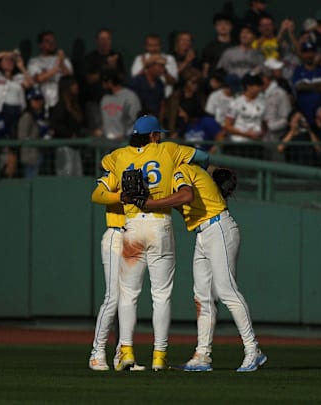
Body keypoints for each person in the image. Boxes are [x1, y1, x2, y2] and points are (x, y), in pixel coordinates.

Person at [101, 115, 205, 372]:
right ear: (153, 135)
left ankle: (125, 351)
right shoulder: (169, 150)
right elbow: (203, 158)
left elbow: (104, 164)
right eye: (159, 133)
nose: (161, 136)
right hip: (160, 223)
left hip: (133, 225)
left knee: (128, 294)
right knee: (161, 295)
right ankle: (159, 356)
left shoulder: (120, 155)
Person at [139, 164, 267, 372]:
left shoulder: (181, 170)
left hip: (218, 228)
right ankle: (202, 355)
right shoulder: (179, 179)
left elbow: (186, 195)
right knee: (202, 297)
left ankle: (253, 350)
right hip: (203, 233)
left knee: (227, 291)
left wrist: (150, 202)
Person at [87, 170, 126, 371]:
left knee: (128, 301)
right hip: (116, 235)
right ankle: (97, 353)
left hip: (137, 238)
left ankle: (123, 354)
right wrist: (121, 195)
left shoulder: (150, 171)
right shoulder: (117, 170)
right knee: (113, 298)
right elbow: (97, 194)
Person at [82, 28, 126, 132]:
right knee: (97, 132)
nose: (105, 42)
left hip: (115, 103)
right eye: (102, 39)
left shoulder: (116, 57)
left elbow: (121, 79)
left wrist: (114, 67)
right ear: (97, 41)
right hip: (95, 102)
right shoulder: (90, 58)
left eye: (107, 39)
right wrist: (106, 67)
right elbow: (89, 79)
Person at [0, 50, 34, 137]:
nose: (9, 62)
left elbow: (30, 84)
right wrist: (5, 53)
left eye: (11, 60)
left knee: (13, 136)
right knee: (0, 136)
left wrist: (21, 67)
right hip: (0, 110)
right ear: (0, 64)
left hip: (17, 111)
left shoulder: (19, 78)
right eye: (6, 60)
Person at [222, 73, 267, 159]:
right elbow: (227, 126)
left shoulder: (263, 102)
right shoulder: (236, 102)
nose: (259, 88)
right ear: (249, 86)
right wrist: (245, 134)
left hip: (256, 144)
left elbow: (264, 123)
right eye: (256, 86)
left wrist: (261, 133)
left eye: (259, 86)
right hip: (238, 144)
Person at [28, 31, 74, 110]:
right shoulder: (34, 61)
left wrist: (61, 62)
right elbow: (39, 79)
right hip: (43, 102)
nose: (51, 43)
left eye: (53, 41)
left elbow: (69, 78)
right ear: (40, 45)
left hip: (63, 102)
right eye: (47, 41)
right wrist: (56, 68)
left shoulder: (64, 59)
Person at [50, 76, 85, 176]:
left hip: (75, 147)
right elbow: (56, 126)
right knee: (66, 175)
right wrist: (70, 135)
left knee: (77, 175)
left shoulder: (76, 105)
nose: (76, 87)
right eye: (73, 85)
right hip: (64, 147)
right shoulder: (60, 106)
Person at [293, 41, 321, 132]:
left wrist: (307, 85)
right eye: (306, 52)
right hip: (303, 113)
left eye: (311, 52)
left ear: (315, 53)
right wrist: (316, 85)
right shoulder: (298, 70)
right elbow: (298, 87)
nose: (309, 55)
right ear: (302, 54)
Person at [17, 88, 52, 178]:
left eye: (39, 99)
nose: (38, 102)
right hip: (30, 158)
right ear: (29, 101)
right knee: (31, 182)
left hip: (43, 155)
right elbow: (22, 137)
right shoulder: (27, 116)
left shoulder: (43, 116)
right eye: (35, 99)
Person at [98, 69, 141, 141]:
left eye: (103, 83)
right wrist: (102, 131)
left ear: (110, 82)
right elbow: (105, 122)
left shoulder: (130, 97)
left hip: (125, 143)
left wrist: (126, 135)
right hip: (107, 143)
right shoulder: (104, 99)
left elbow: (137, 121)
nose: (102, 86)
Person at [164, 67, 206, 133]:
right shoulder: (176, 96)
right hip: (177, 130)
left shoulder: (199, 97)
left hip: (195, 129)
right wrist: (172, 132)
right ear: (186, 82)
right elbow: (171, 117)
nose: (196, 85)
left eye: (198, 82)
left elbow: (202, 115)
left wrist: (187, 117)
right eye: (194, 82)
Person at [201, 13, 235, 77]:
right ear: (215, 27)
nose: (223, 27)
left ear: (231, 26)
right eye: (219, 24)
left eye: (226, 23)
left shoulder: (237, 46)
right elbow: (205, 71)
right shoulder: (209, 47)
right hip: (215, 83)